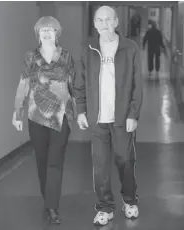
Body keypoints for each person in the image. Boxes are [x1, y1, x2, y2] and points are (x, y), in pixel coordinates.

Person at [75, 5, 143, 226]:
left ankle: (130, 200)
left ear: (116, 22)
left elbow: (137, 85)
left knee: (125, 160)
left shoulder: (130, 47)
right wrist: (81, 110)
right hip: (97, 118)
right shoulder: (88, 48)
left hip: (122, 117)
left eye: (108, 20)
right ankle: (105, 207)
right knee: (101, 165)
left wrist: (133, 114)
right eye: (100, 20)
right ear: (95, 24)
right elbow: (80, 83)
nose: (104, 24)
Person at [12, 16, 76, 224]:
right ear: (38, 34)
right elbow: (23, 84)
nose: (47, 33)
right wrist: (17, 111)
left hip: (61, 117)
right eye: (43, 30)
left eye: (51, 30)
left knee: (55, 162)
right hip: (36, 116)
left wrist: (77, 113)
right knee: (42, 161)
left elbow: (73, 87)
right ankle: (48, 198)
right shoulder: (30, 57)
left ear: (57, 33)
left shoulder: (66, 57)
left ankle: (52, 207)